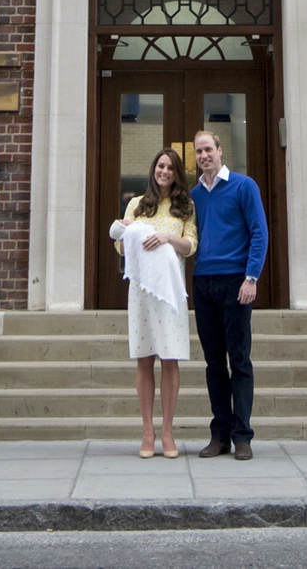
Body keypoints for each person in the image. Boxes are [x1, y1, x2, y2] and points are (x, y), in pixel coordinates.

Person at [110, 148, 198, 459]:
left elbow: (190, 246)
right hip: (143, 292)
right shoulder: (137, 204)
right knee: (145, 359)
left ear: (177, 174)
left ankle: (167, 432)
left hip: (171, 293)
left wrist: (166, 238)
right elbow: (121, 247)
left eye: (171, 168)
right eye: (161, 166)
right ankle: (147, 432)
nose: (164, 171)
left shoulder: (185, 206)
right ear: (154, 169)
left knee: (170, 360)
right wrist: (127, 230)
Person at [190, 130, 268, 461]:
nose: (204, 155)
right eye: (198, 151)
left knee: (239, 359)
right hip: (203, 283)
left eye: (208, 149)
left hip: (236, 282)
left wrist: (251, 278)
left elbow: (259, 233)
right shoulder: (194, 194)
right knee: (213, 363)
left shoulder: (243, 186)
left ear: (220, 151)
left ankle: (242, 436)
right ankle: (219, 434)